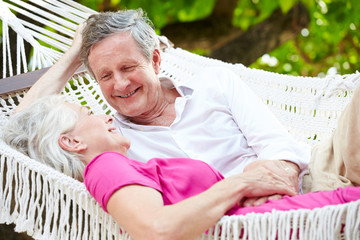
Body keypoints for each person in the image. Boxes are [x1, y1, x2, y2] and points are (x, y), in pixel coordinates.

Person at [15, 9, 310, 207]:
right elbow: (19, 132)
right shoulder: (110, 140)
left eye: (128, 67)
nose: (119, 84)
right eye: (105, 75)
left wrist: (277, 182)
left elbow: (276, 143)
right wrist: (72, 56)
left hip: (293, 189)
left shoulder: (215, 83)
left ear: (155, 60)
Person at [3, 95, 359, 240]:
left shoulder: (124, 168)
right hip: (283, 223)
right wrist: (243, 184)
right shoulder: (104, 167)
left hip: (279, 216)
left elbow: (18, 127)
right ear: (72, 142)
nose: (101, 115)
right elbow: (156, 229)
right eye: (86, 114)